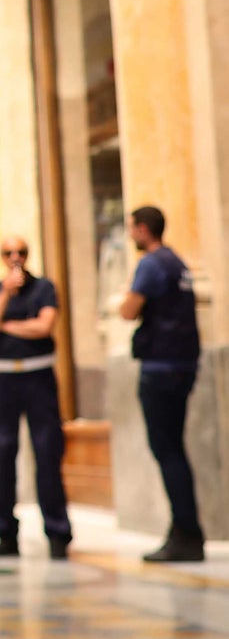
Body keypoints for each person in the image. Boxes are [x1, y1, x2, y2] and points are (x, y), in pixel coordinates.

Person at [0, 237, 72, 559]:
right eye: (8, 253)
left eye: (21, 252)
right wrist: (6, 294)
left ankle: (57, 532)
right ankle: (5, 533)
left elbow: (45, 327)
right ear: (2, 257)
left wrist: (5, 325)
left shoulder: (44, 288)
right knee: (3, 453)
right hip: (3, 380)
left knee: (47, 451)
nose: (16, 258)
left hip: (38, 377)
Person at [121, 205, 204, 563]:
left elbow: (128, 309)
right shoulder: (177, 263)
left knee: (167, 449)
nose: (130, 235)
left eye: (132, 229)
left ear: (142, 230)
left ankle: (186, 533)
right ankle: (184, 529)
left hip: (160, 367)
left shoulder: (151, 264)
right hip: (183, 364)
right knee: (175, 449)